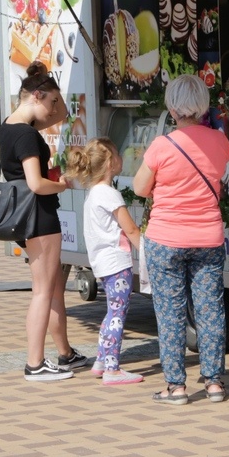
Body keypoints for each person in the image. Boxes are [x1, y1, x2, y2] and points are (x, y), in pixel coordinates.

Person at [132, 74, 229, 405]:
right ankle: (215, 382)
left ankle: (176, 387)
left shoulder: (162, 145)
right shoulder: (219, 142)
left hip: (166, 238)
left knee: (170, 312)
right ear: (202, 105)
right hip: (208, 237)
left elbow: (139, 188)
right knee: (210, 309)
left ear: (173, 107)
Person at [0, 61, 87, 381]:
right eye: (50, 100)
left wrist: (45, 81)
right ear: (35, 96)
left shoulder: (9, 126)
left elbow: (61, 114)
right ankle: (35, 363)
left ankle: (64, 354)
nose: (55, 110)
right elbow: (36, 184)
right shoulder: (26, 135)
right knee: (43, 292)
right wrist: (62, 184)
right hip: (40, 215)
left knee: (50, 290)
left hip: (27, 218)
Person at [65, 137, 143, 385]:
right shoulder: (109, 195)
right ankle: (112, 368)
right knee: (118, 314)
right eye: (118, 155)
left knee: (112, 312)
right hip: (117, 263)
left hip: (103, 263)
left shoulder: (93, 194)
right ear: (111, 162)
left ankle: (101, 360)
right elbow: (130, 229)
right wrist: (149, 252)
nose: (122, 159)